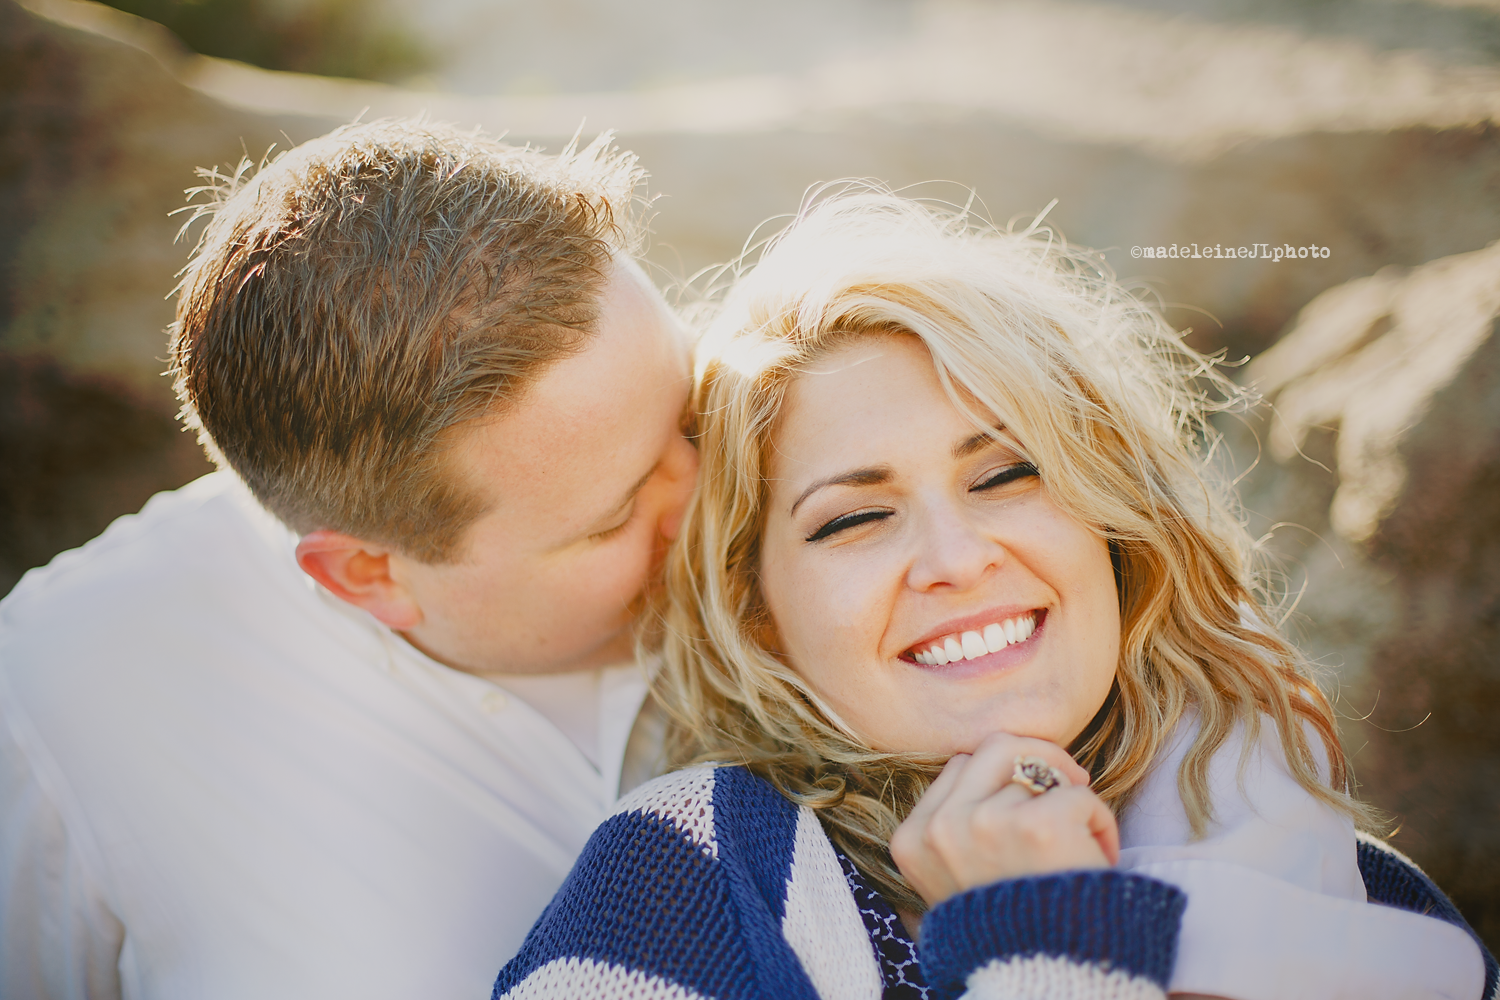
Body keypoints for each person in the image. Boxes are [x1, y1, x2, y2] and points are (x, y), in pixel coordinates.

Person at [492, 191, 1496, 1000]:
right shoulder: (688, 874)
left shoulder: (1363, 897)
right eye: (852, 519)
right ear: (758, 611)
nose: (956, 557)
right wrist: (1045, 933)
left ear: (1111, 521)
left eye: (1008, 474)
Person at [0, 119, 697, 999]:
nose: (713, 490)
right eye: (621, 513)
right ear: (367, 574)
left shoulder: (823, 502)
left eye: (692, 414)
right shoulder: (57, 692)